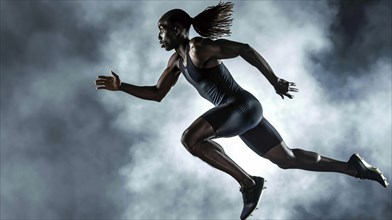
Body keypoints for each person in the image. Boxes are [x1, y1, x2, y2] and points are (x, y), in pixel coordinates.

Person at [94, 2, 388, 219]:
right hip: (243, 114)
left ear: (178, 29)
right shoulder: (176, 62)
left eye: (161, 30)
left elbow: (245, 49)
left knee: (190, 140)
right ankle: (354, 168)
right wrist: (122, 87)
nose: (159, 37)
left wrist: (274, 81)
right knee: (286, 159)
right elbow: (157, 94)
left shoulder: (198, 48)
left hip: (241, 106)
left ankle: (249, 184)